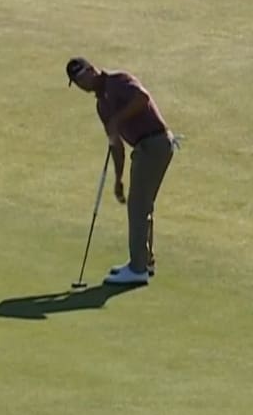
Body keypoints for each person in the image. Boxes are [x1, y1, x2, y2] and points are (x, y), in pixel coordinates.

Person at [66, 56, 176, 286]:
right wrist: (118, 178)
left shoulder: (117, 81)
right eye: (77, 82)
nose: (82, 84)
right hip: (143, 148)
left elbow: (142, 98)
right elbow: (116, 144)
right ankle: (145, 262)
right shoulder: (101, 106)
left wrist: (117, 118)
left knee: (138, 206)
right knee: (142, 205)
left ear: (92, 69)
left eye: (83, 77)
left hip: (155, 142)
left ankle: (138, 269)